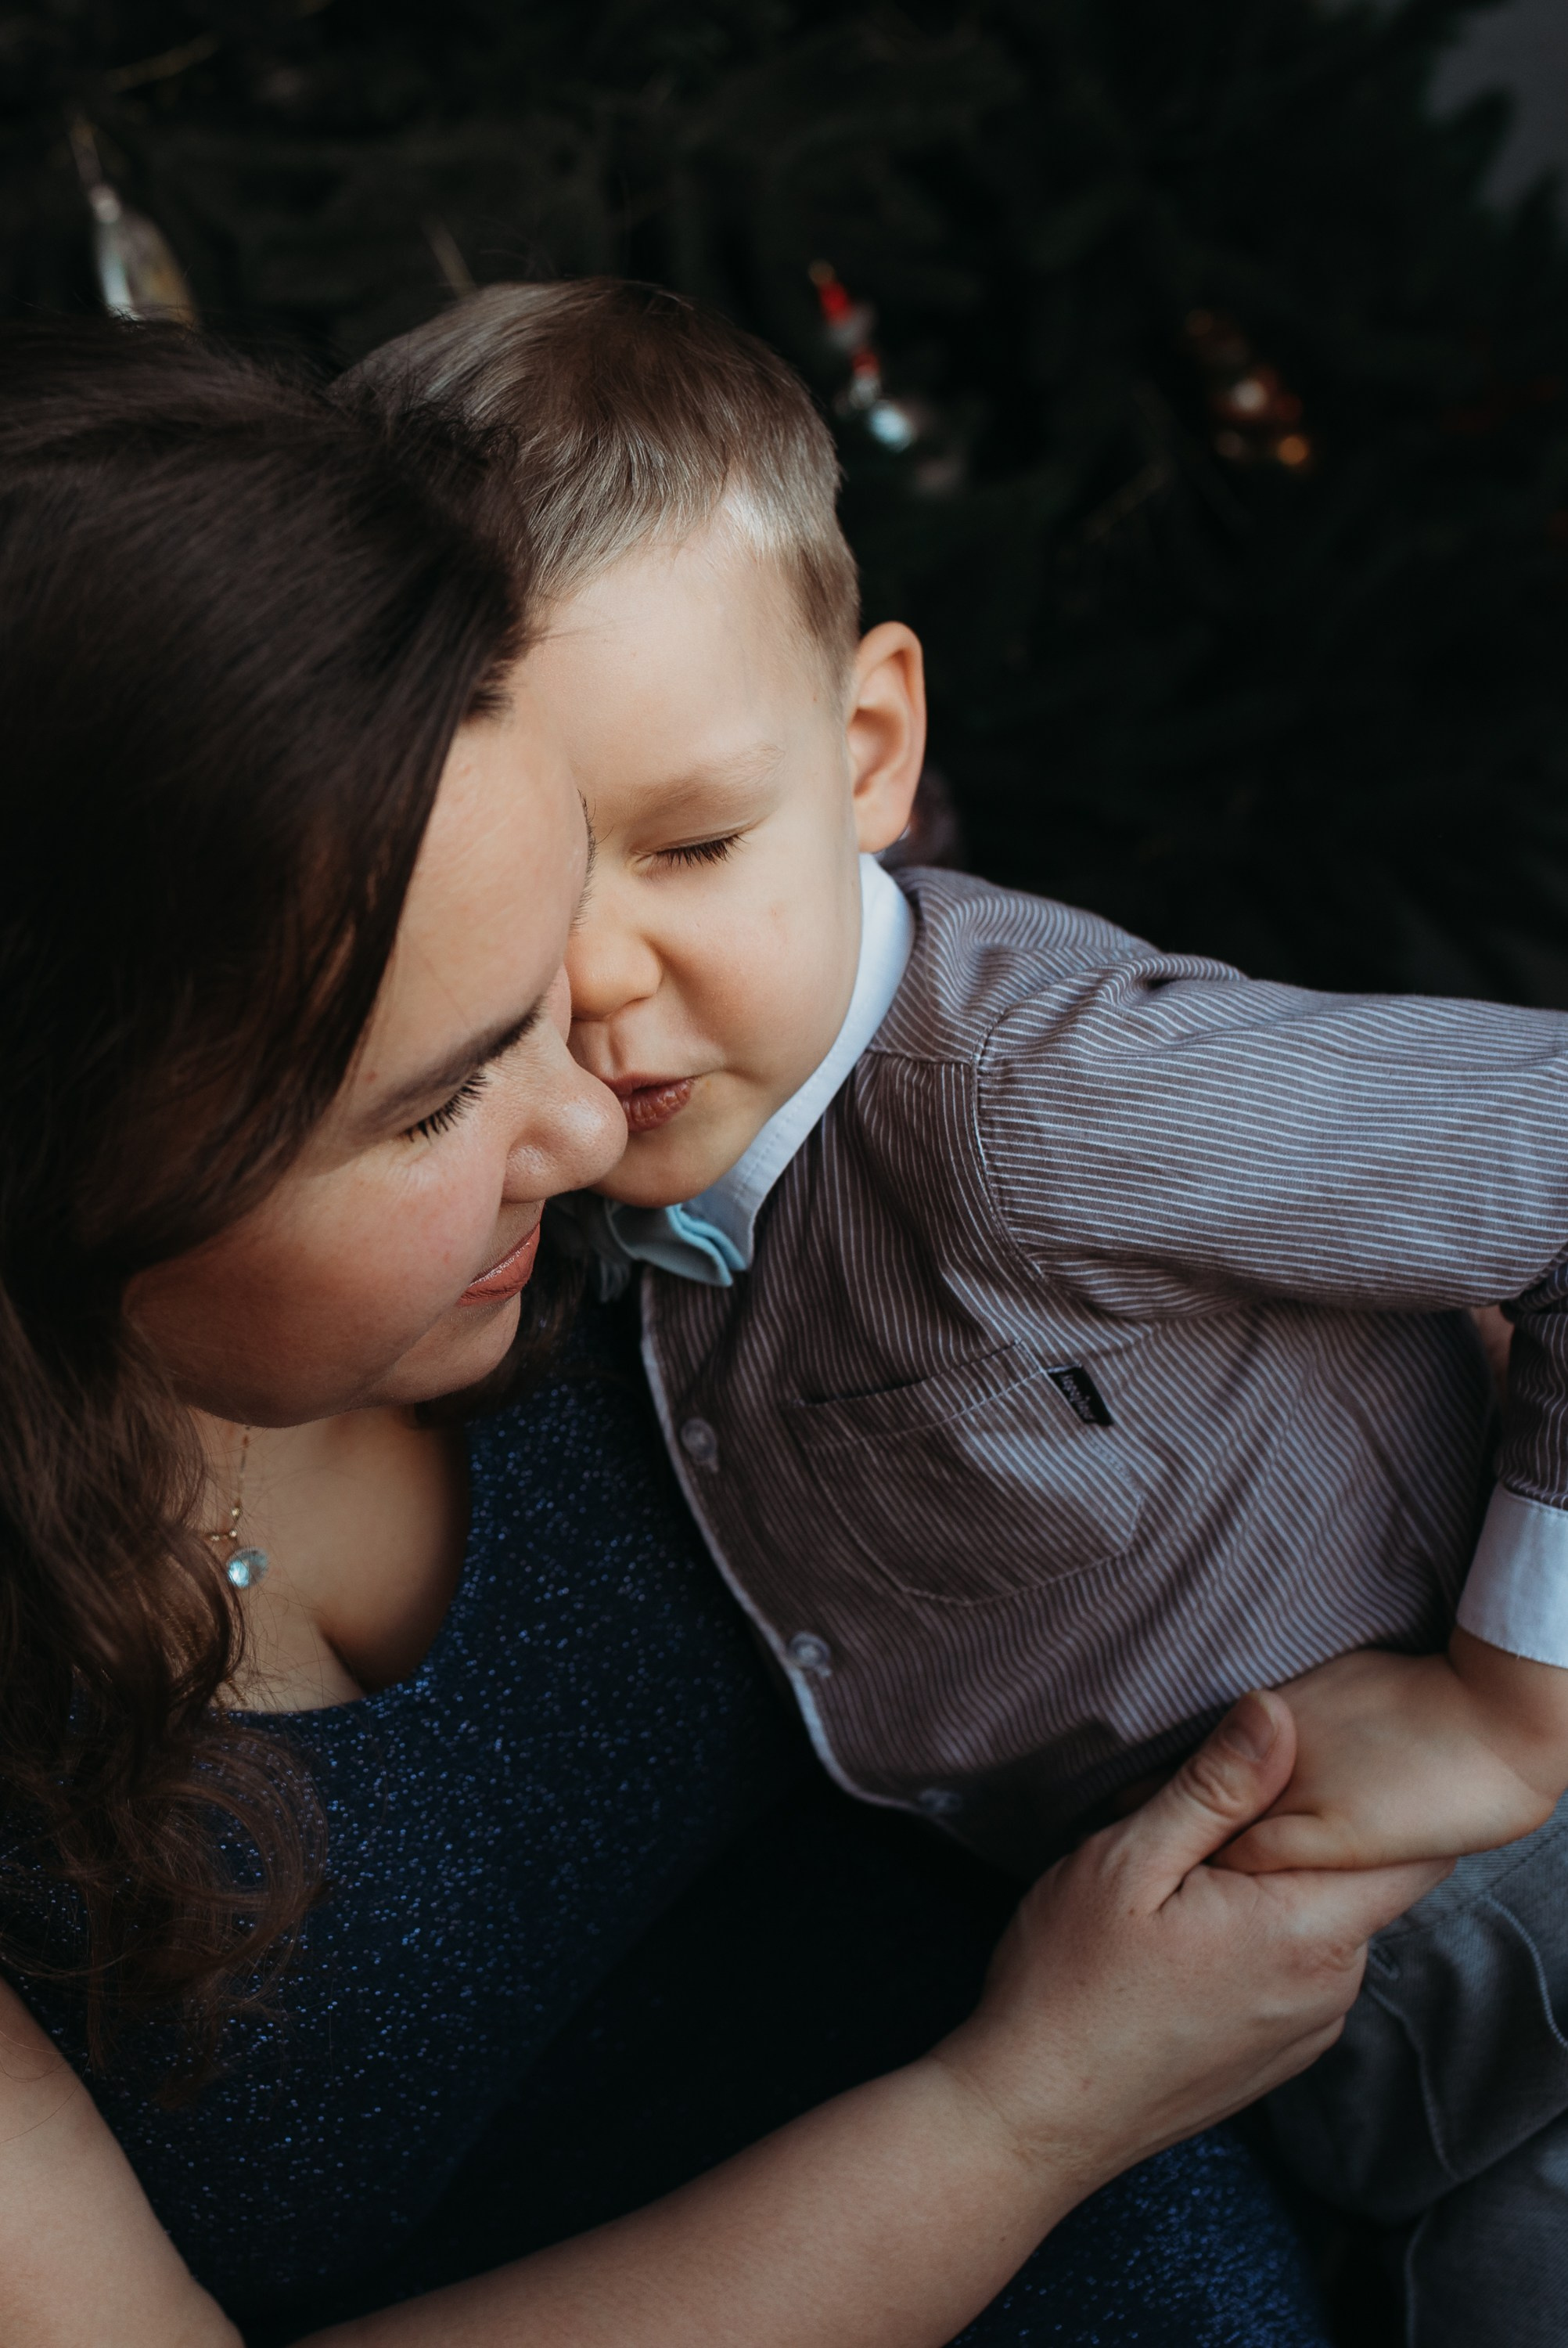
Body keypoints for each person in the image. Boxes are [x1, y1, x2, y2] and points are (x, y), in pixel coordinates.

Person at [0, 316, 1438, 2348]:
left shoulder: (644, 1177)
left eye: (544, 1000)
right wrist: (1028, 2114)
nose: (594, 1127)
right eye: (434, 1101)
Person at [358, 275, 1568, 2345]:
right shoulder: (584, 1161)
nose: (608, 977)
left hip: (1508, 1944)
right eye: (516, 905)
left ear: (869, 750)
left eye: (695, 843)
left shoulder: (1039, 1109)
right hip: (1278, 2052)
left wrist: (1504, 1698)